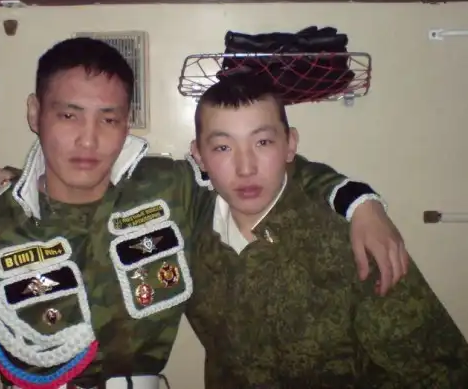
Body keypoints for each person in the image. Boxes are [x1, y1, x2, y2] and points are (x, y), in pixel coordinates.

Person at [0, 38, 405, 389]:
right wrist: (3, 182)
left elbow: (261, 168)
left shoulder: (167, 189)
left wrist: (361, 203)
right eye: (69, 115)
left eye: (109, 119)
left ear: (127, 123)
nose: (88, 139)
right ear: (35, 113)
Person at [184, 75, 468, 388]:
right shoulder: (189, 231)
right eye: (223, 147)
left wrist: (362, 202)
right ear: (199, 156)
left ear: (290, 145)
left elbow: (439, 370)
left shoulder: (351, 241)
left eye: (263, 142)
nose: (246, 167)